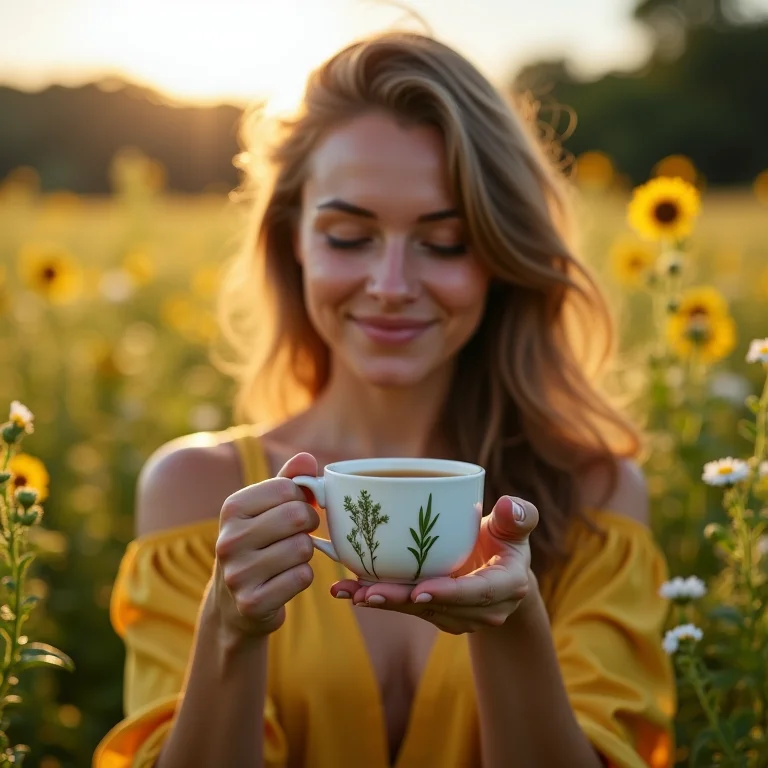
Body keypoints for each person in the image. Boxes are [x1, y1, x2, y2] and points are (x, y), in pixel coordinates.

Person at [93, 31, 674, 768]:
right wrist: (229, 632)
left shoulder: (596, 497)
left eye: (446, 242)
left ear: (502, 257)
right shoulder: (197, 494)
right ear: (292, 239)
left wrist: (513, 624)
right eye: (348, 235)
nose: (393, 285)